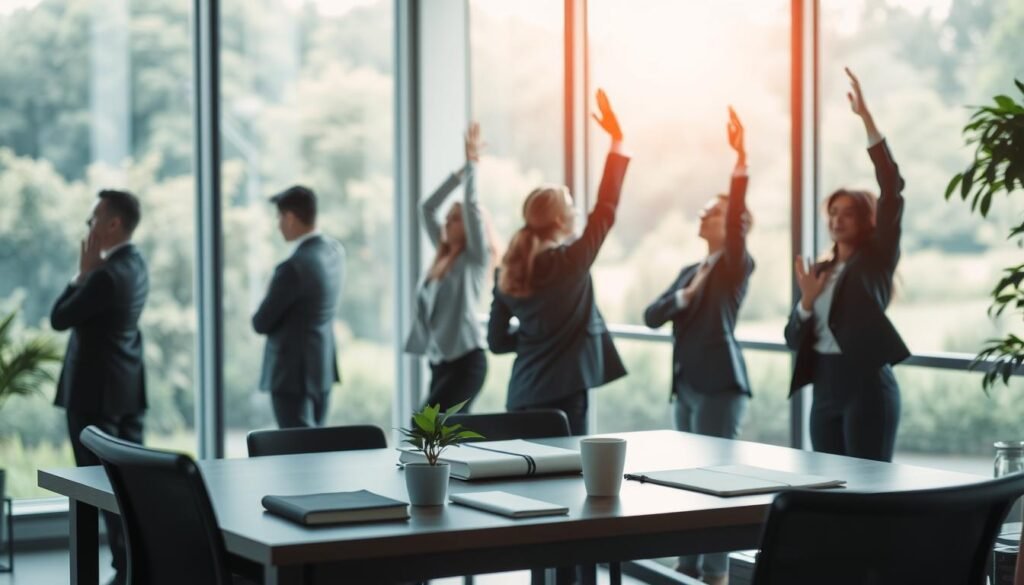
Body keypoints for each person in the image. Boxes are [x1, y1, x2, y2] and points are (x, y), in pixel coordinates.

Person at [643, 107, 753, 585]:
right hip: (686, 386)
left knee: (717, 483)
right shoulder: (691, 272)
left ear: (734, 224)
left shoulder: (735, 265)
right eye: (705, 210)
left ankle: (714, 574)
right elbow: (651, 315)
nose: (705, 215)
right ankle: (688, 567)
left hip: (718, 385)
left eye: (715, 211)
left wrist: (740, 163)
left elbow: (733, 233)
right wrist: (681, 298)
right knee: (688, 481)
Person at [488, 89, 629, 436]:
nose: (577, 209)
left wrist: (535, 335)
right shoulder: (570, 262)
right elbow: (605, 209)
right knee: (563, 481)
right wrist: (618, 141)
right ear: (560, 220)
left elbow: (496, 342)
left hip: (521, 394)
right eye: (570, 204)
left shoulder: (507, 272)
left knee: (523, 482)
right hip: (564, 396)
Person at [785, 68, 909, 462]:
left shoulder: (875, 261)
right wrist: (806, 302)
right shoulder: (818, 272)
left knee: (869, 493)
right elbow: (793, 339)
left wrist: (866, 119)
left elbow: (891, 189)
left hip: (867, 387)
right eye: (832, 213)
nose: (837, 220)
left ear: (866, 220)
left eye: (848, 214)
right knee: (830, 490)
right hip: (824, 387)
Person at [51, 189, 148, 585]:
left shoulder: (104, 275)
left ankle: (123, 566)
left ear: (113, 224)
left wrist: (81, 274)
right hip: (127, 390)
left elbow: (59, 317)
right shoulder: (137, 265)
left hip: (93, 396)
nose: (88, 227)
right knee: (133, 487)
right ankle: (134, 563)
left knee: (98, 488)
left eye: (93, 220)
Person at [405, 122, 499, 412]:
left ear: (471, 227)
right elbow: (426, 208)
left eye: (454, 219)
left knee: (424, 427)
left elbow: (471, 204)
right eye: (448, 218)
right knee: (443, 438)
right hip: (440, 361)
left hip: (467, 361)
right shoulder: (443, 254)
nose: (447, 222)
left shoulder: (475, 258)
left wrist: (473, 166)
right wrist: (458, 173)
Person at [252, 186, 345, 428]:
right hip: (321, 367)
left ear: (290, 218)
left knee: (297, 450)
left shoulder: (292, 268)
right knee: (315, 448)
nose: (278, 225)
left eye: (279, 217)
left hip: (291, 376)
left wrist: (270, 284)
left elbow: (260, 322)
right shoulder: (334, 251)